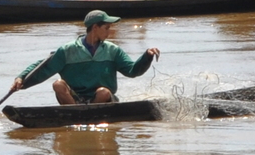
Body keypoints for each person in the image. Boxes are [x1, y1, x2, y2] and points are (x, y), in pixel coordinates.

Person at [11, 9, 159, 105]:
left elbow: (132, 71)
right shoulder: (68, 50)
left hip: (101, 101)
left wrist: (147, 56)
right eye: (106, 28)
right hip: (73, 100)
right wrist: (22, 79)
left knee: (104, 92)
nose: (109, 32)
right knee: (58, 84)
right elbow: (43, 68)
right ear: (95, 28)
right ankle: (75, 112)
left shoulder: (112, 50)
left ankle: (89, 112)